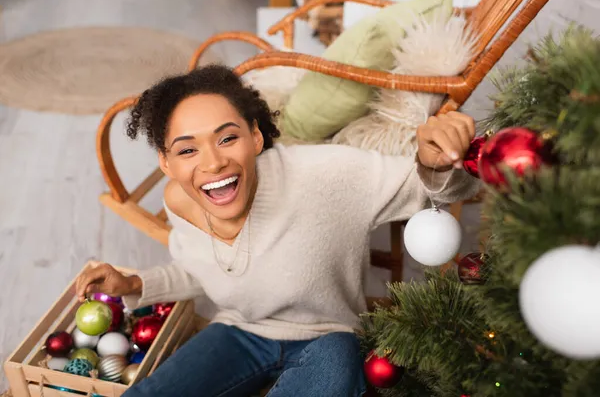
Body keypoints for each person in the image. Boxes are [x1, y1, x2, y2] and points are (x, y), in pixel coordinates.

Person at [75, 64, 480, 396]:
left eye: (227, 138)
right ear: (167, 162)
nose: (212, 163)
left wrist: (435, 159)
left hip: (328, 336)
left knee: (338, 364)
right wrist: (131, 282)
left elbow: (427, 186)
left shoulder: (322, 174)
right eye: (187, 149)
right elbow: (199, 269)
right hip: (238, 332)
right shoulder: (182, 201)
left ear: (253, 136)